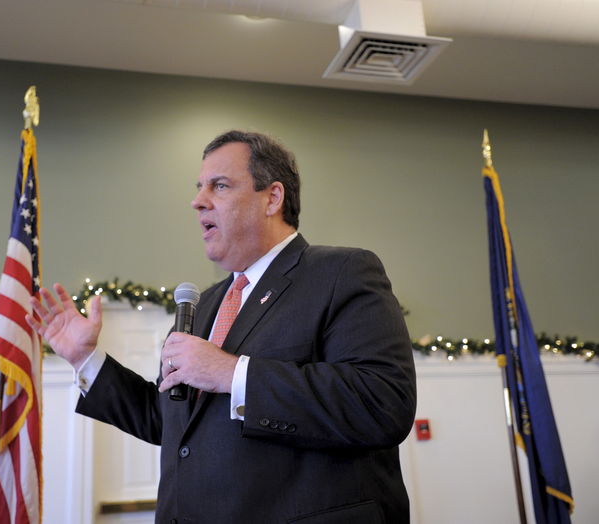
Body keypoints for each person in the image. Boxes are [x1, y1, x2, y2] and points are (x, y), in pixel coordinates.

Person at [27, 130, 416, 523]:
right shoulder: (207, 302)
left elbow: (382, 404)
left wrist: (232, 373)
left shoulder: (340, 272)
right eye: (199, 188)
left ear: (273, 198)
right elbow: (172, 421)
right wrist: (86, 358)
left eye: (220, 185)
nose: (197, 201)